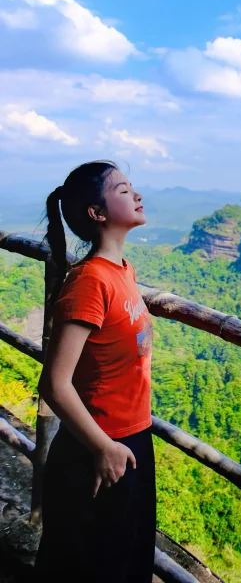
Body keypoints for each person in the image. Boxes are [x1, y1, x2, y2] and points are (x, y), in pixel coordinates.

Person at [33, 160, 155, 583]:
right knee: (93, 568)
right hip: (96, 449)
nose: (136, 195)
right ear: (96, 213)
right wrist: (104, 448)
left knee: (129, 561)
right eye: (123, 190)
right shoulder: (90, 282)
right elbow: (54, 383)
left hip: (132, 439)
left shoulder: (123, 270)